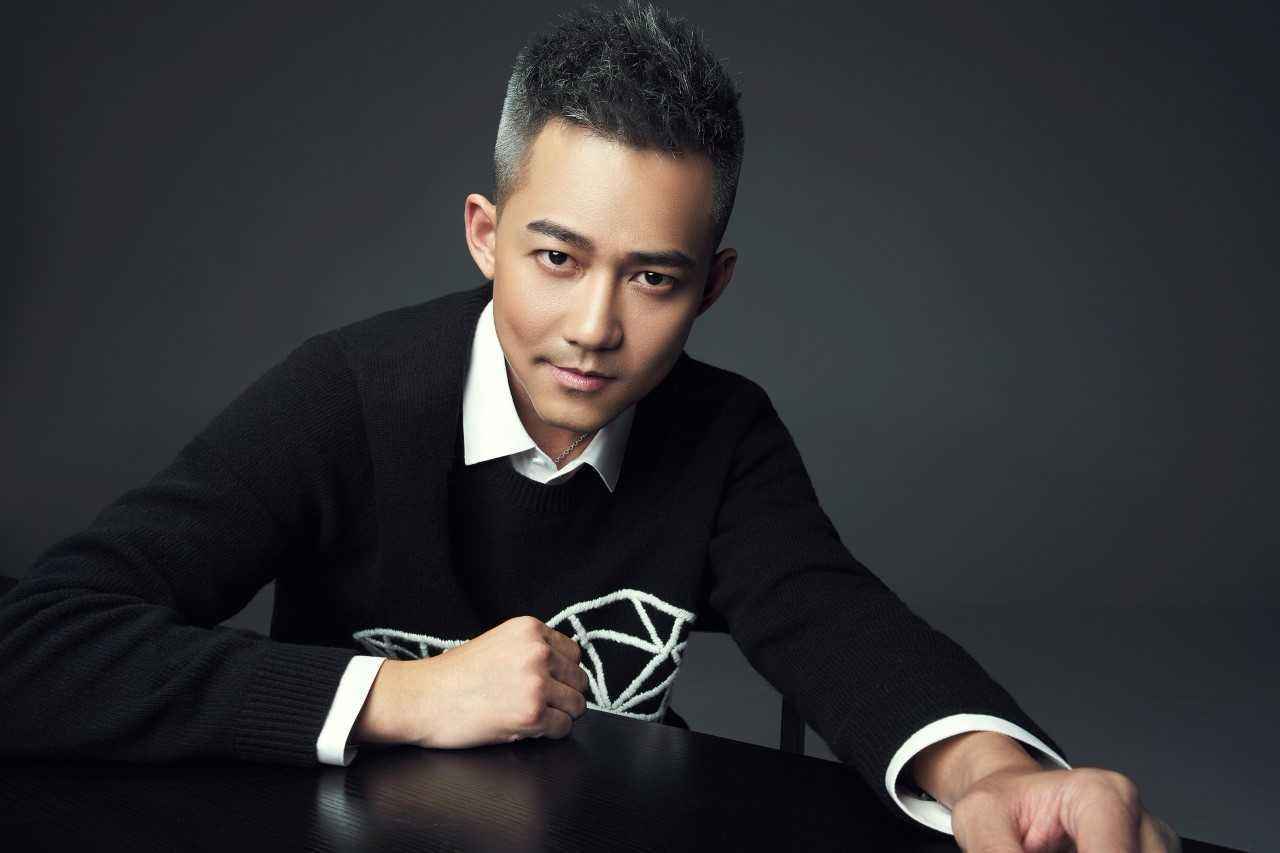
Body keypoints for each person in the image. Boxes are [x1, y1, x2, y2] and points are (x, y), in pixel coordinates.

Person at [1, 2, 1179, 850]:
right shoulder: (344, 395)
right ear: (484, 234)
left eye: (652, 278)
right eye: (556, 258)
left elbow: (835, 622)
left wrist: (991, 774)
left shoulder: (721, 434)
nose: (594, 327)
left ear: (710, 286)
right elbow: (32, 647)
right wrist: (402, 696)